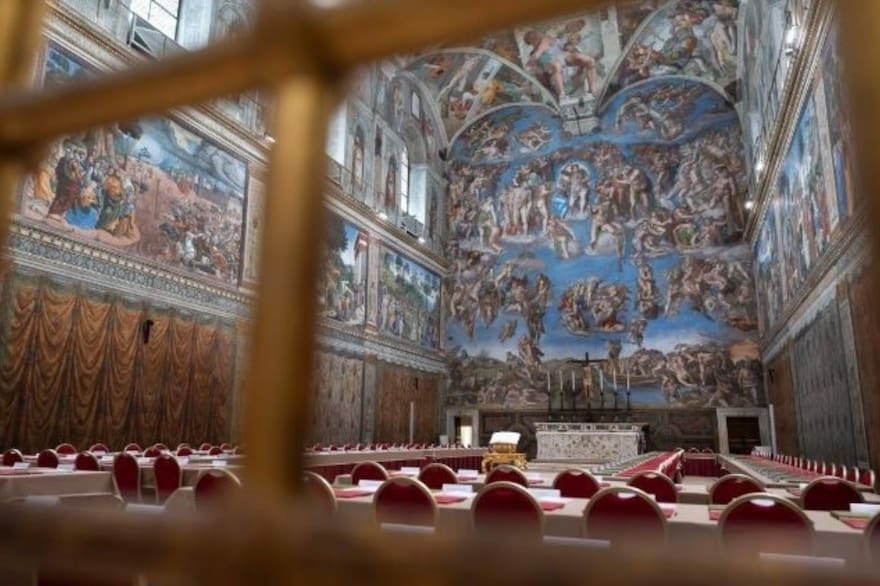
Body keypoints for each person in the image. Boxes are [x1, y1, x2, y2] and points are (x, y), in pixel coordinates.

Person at [523, 30, 597, 99]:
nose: (536, 38)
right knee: (556, 65)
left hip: (567, 64)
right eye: (532, 38)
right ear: (529, 42)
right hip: (556, 76)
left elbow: (567, 48)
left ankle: (592, 90)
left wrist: (571, 45)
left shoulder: (549, 40)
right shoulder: (533, 57)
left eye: (536, 35)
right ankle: (562, 95)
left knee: (589, 60)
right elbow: (539, 75)